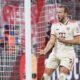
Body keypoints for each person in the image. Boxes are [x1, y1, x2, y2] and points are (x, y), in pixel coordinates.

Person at [40, 4, 80, 80]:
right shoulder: (54, 25)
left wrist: (64, 41)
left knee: (61, 77)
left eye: (60, 12)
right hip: (55, 53)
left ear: (66, 13)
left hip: (67, 53)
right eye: (57, 12)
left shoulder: (73, 24)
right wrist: (45, 50)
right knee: (45, 77)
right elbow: (51, 41)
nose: (58, 14)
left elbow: (78, 41)